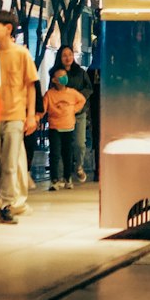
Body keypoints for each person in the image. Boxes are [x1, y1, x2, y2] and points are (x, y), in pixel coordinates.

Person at [0, 11, 39, 223]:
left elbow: (30, 85)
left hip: (15, 114)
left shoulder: (21, 54)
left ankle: (6, 204)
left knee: (9, 162)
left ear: (8, 28)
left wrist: (31, 115)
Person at [41, 67, 87, 192]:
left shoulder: (72, 93)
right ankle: (55, 179)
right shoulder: (49, 94)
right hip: (54, 127)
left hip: (68, 127)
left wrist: (73, 110)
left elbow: (82, 100)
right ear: (54, 80)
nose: (63, 78)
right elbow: (43, 109)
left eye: (65, 75)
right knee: (55, 154)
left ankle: (68, 178)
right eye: (60, 76)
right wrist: (37, 118)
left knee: (68, 154)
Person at [54, 44, 92, 183]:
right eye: (64, 55)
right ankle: (63, 173)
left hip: (79, 113)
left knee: (79, 143)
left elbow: (89, 88)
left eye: (70, 54)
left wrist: (77, 98)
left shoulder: (81, 72)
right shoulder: (56, 74)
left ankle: (79, 166)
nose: (68, 57)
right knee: (63, 145)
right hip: (62, 115)